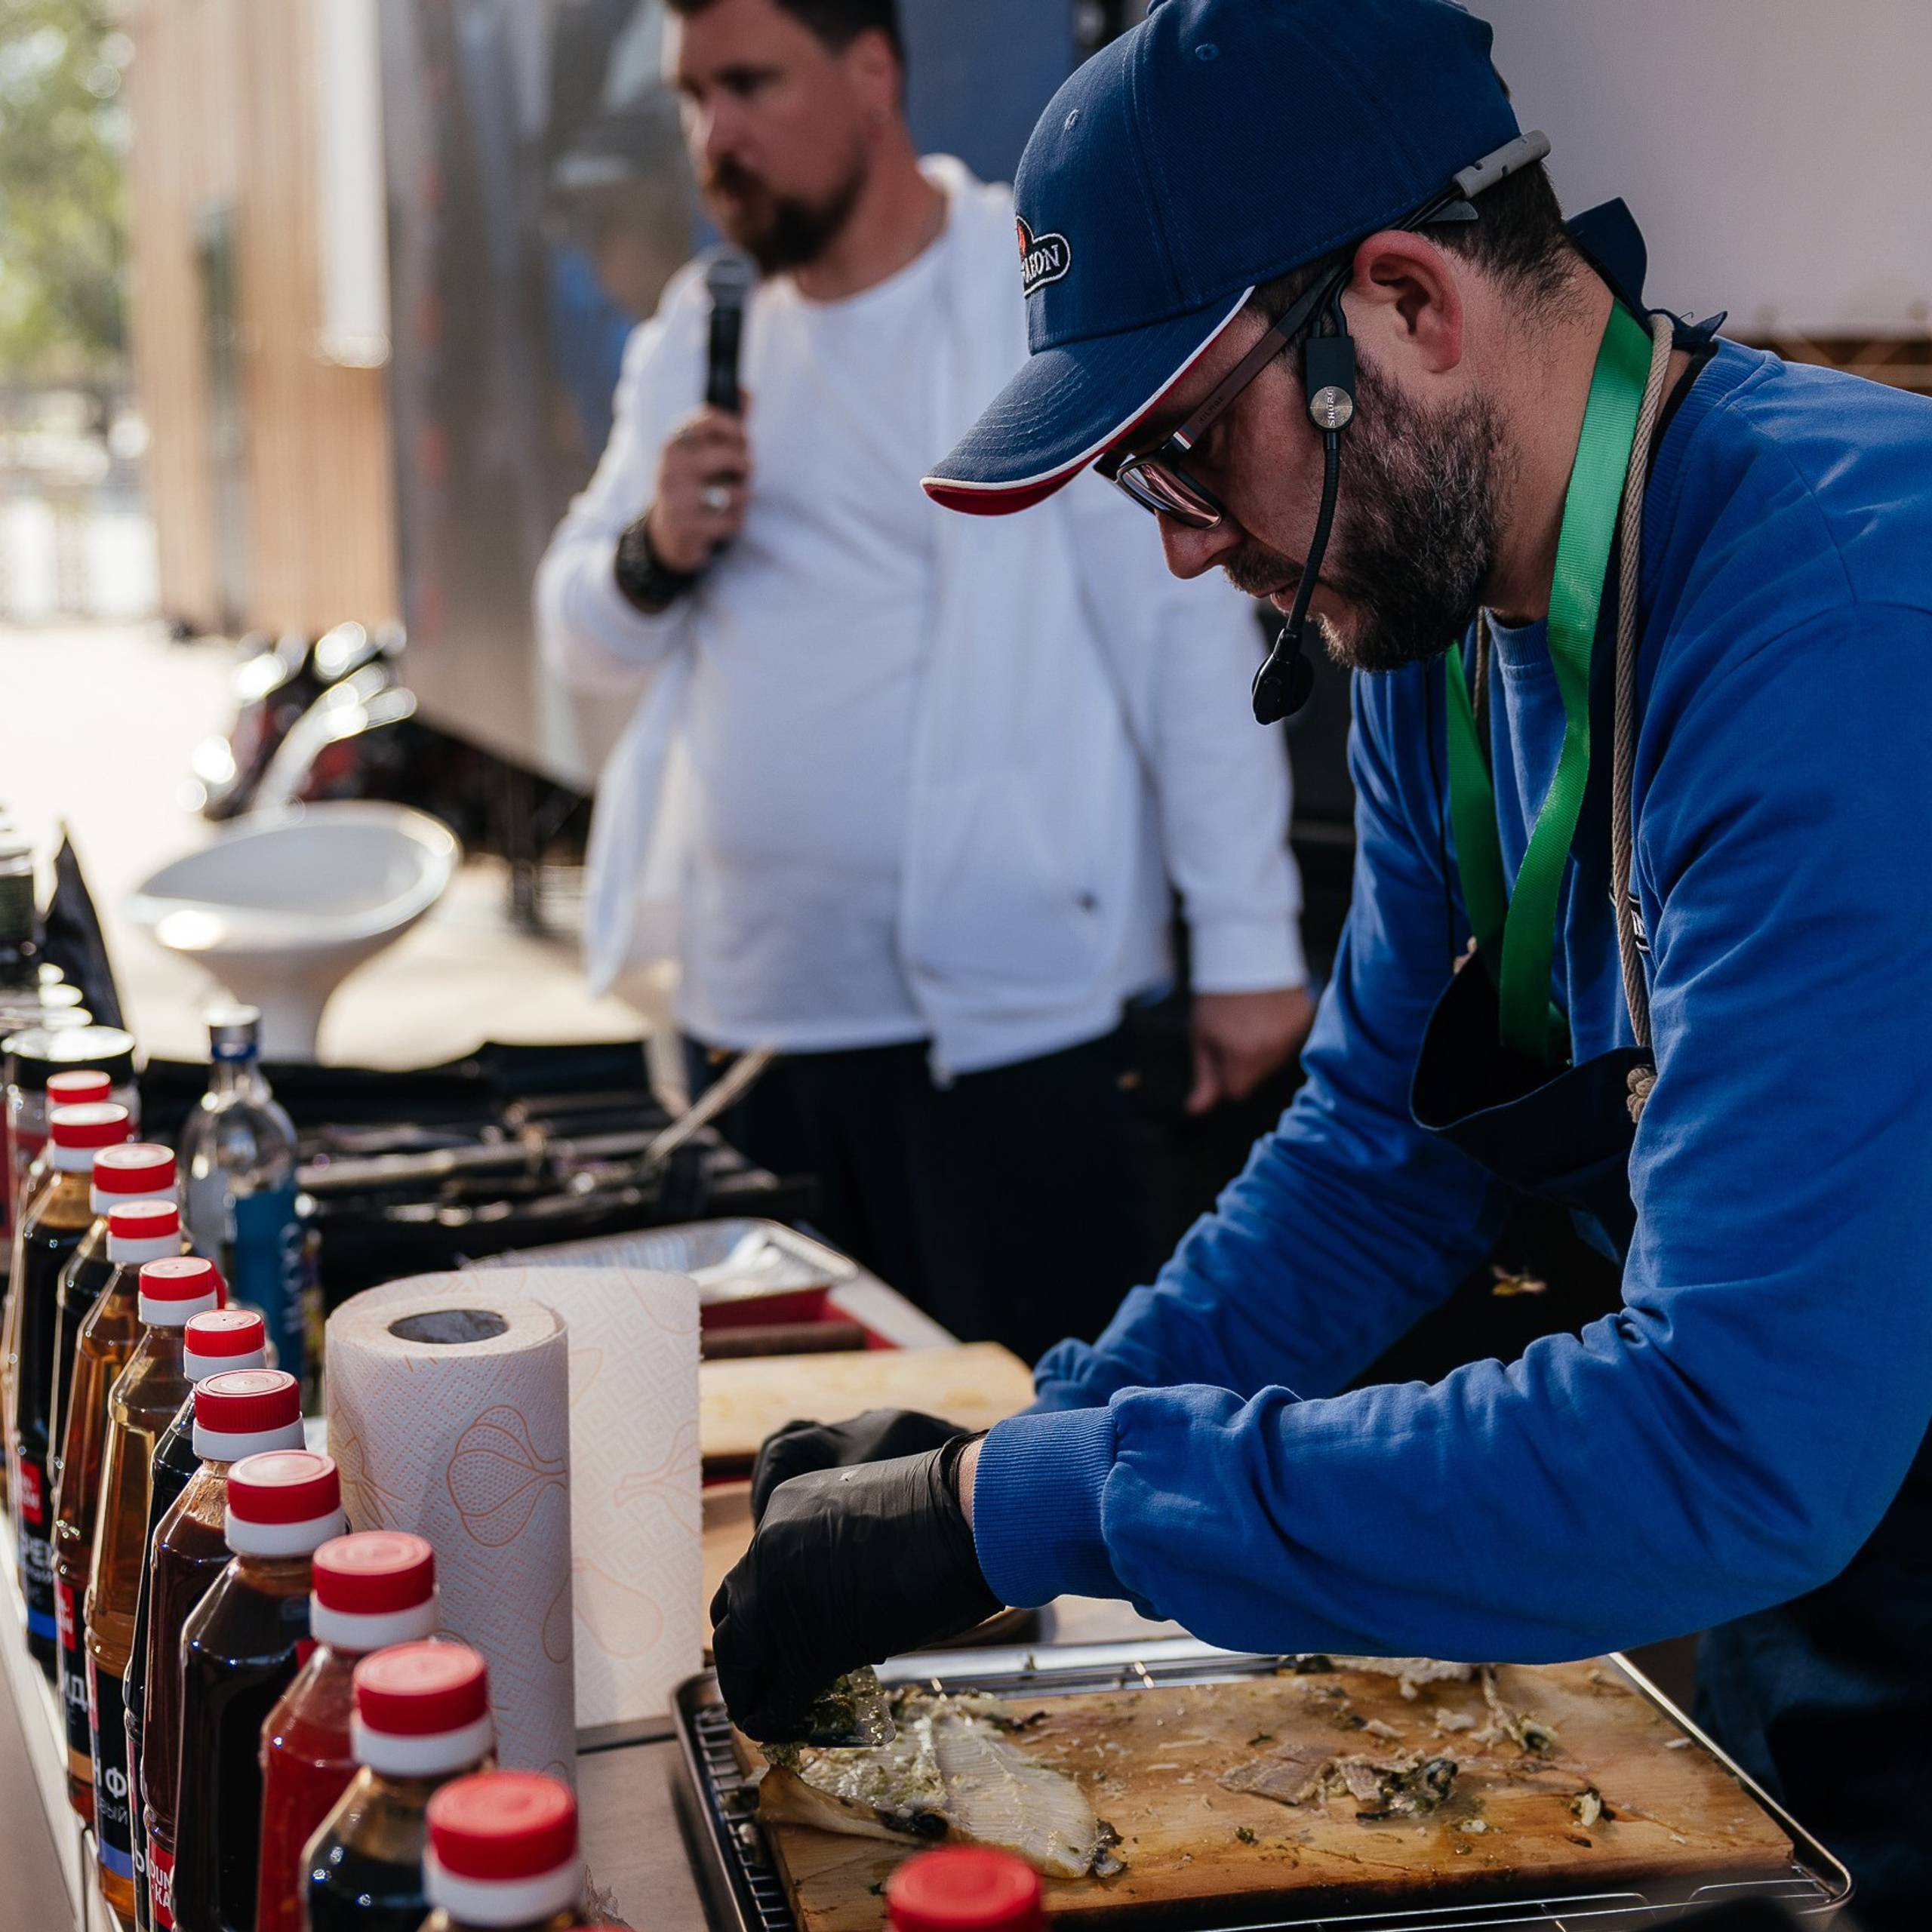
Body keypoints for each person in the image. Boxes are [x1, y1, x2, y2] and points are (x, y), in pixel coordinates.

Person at [706, 2, 1932, 1922]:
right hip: (1827, 1583)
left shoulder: (1834, 628)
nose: (1186, 550)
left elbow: (1730, 1426)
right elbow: (1380, 1157)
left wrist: (1039, 1504)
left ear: (1407, 307)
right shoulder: (1440, 627)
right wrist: (1028, 1440)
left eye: (1188, 447)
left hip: (1808, 1480)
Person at [536, 0, 1313, 1361]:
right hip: (750, 1030)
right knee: (785, 1485)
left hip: (1007, 1038)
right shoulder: (698, 330)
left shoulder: (1032, 291)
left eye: (751, 83)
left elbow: (1179, 636)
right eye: (692, 95)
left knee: (1029, 1467)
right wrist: (655, 553)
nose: (714, 134)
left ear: (873, 77)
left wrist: (1247, 945)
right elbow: (577, 634)